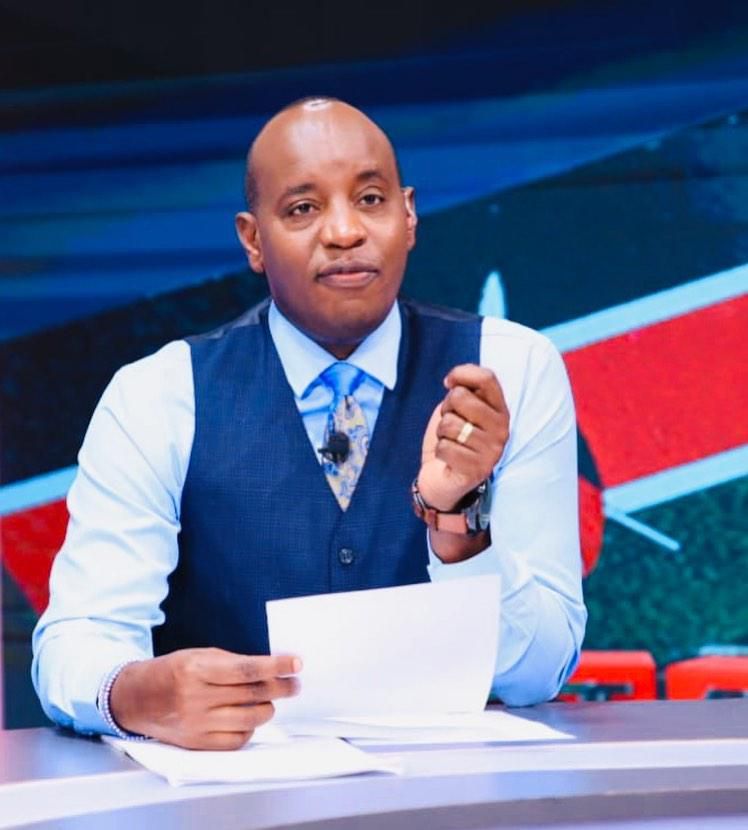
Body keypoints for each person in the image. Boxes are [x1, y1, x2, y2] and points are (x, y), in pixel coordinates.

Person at [32, 97, 586, 750]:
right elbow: (76, 641)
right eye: (302, 209)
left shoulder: (507, 369)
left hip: (454, 790)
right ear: (252, 240)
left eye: (371, 199)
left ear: (409, 215)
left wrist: (459, 526)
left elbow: (541, 670)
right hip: (228, 794)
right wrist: (135, 693)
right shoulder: (160, 395)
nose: (344, 232)